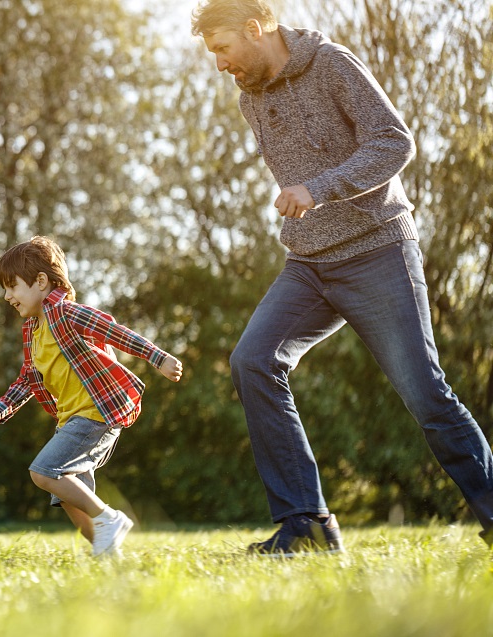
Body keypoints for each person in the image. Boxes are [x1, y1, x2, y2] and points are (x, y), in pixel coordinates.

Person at [190, 0, 493, 556]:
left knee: (425, 392)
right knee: (252, 360)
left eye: (222, 49)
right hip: (309, 264)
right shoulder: (249, 98)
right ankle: (306, 524)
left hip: (377, 249)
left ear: (255, 29)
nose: (219, 64)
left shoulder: (332, 64)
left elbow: (394, 143)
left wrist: (319, 187)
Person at [0, 236, 183, 558]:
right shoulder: (33, 330)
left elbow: (115, 332)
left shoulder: (67, 314)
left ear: (40, 281)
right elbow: (29, 378)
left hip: (97, 413)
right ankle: (107, 555)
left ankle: (111, 519)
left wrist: (158, 357)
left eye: (12, 286)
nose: (6, 295)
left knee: (43, 472)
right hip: (71, 419)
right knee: (70, 497)